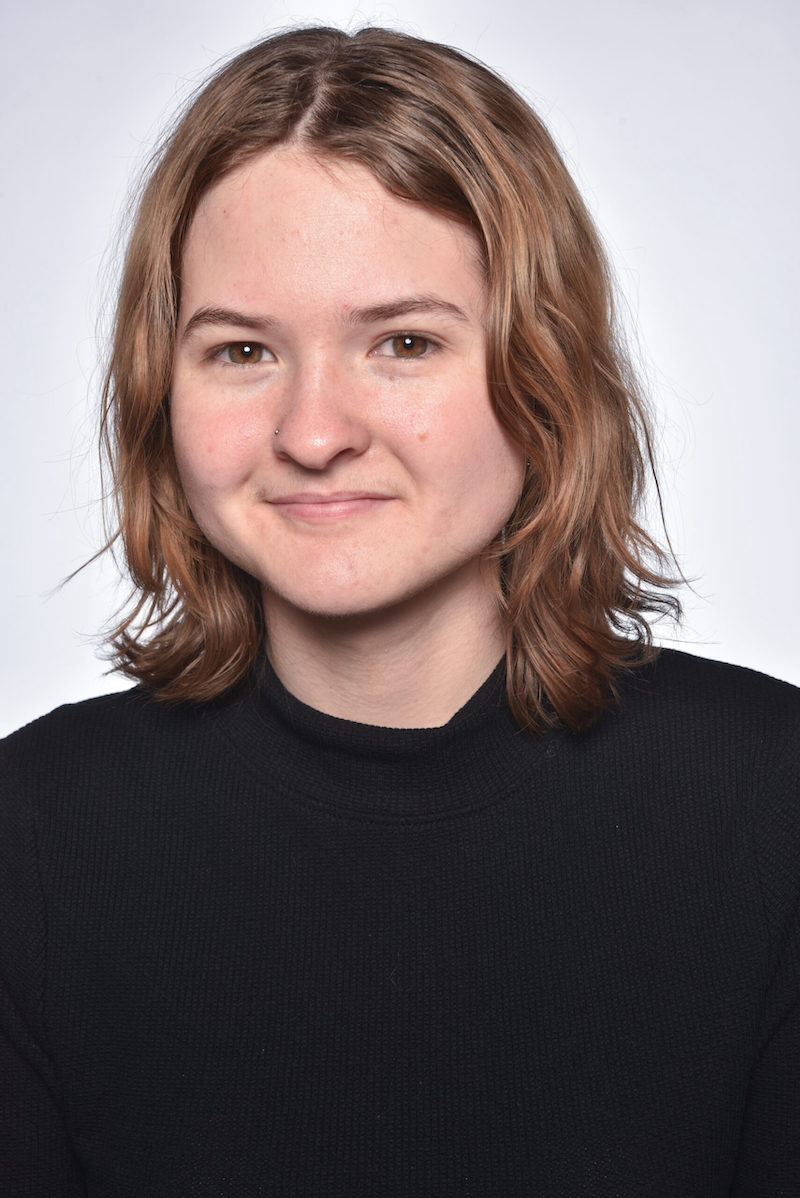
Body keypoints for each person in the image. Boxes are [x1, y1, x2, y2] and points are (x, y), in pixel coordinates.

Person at [1, 25, 798, 1196]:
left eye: (404, 341)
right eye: (240, 351)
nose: (313, 433)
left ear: (543, 372)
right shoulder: (30, 838)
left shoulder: (771, 809)